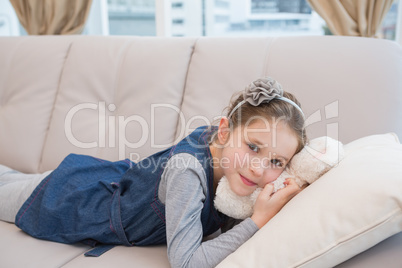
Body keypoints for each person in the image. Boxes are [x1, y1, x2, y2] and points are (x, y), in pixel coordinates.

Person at [0, 77, 306, 268]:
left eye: (277, 162)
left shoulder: (228, 151)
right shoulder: (188, 172)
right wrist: (258, 220)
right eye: (254, 147)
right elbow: (185, 262)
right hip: (74, 200)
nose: (259, 168)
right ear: (223, 132)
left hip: (108, 180)